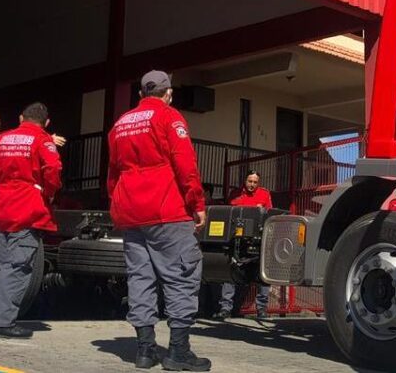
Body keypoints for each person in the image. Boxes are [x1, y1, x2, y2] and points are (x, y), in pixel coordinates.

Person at [107, 70, 210, 371]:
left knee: (140, 279)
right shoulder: (169, 116)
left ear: (140, 95)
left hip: (131, 212)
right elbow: (185, 162)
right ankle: (178, 352)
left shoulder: (120, 124)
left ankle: (144, 350)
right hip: (166, 209)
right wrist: (197, 202)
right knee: (181, 276)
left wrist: (118, 203)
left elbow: (112, 174)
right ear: (168, 93)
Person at [0, 102, 62, 339]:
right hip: (27, 206)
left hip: (1, 205)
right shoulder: (42, 139)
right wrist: (48, 193)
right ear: (46, 122)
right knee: (18, 267)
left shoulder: (3, 138)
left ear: (20, 118)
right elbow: (53, 169)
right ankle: (3, 322)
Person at [215, 170, 272, 320]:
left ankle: (262, 310)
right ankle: (225, 308)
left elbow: (270, 215)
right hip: (237, 240)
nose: (252, 185)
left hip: (258, 241)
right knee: (230, 272)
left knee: (263, 276)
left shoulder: (265, 195)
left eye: (255, 182)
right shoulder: (235, 194)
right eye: (249, 181)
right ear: (244, 181)